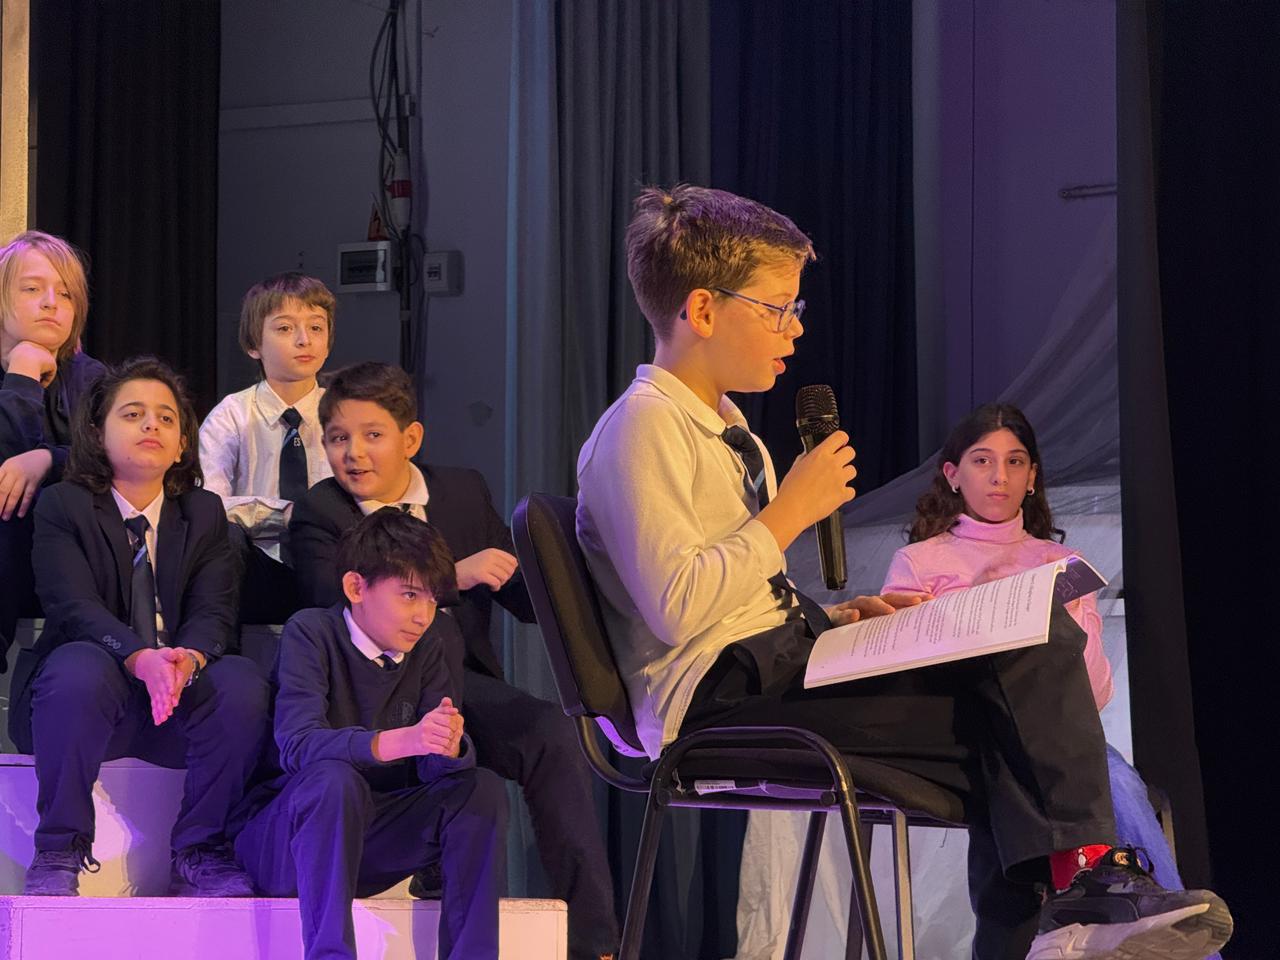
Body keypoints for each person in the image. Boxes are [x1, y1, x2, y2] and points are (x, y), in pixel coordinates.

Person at [574, 183, 1232, 960]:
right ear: (703, 310)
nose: (794, 328)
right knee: (1007, 721)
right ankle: (1075, 904)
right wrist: (789, 511)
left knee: (1028, 647)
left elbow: (737, 594)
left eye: (794, 308)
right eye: (777, 308)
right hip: (721, 703)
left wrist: (834, 619)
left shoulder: (727, 431)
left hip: (777, 666)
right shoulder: (641, 430)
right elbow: (679, 607)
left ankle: (1074, 907)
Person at [289, 361, 619, 960]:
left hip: (457, 681)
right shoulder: (321, 509)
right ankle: (435, 851)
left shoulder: (462, 491)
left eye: (371, 435)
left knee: (550, 732)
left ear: (410, 438)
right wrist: (448, 579)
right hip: (372, 691)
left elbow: (521, 594)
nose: (353, 453)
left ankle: (592, 940)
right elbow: (325, 599)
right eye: (337, 438)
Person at [880, 401, 1221, 959]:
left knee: (1111, 778)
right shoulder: (918, 562)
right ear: (953, 474)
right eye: (983, 460)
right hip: (964, 738)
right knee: (1047, 777)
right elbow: (905, 678)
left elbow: (1094, 696)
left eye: (1015, 462)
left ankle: (1132, 918)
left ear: (1032, 476)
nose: (1000, 476)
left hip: (1054, 741)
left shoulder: (1062, 562)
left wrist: (1067, 621)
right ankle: (1107, 906)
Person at [9, 356, 268, 897]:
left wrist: (187, 658)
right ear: (97, 433)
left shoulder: (204, 512)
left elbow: (214, 611)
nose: (152, 425)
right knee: (78, 664)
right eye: (132, 414)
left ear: (181, 444)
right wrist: (139, 656)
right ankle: (59, 850)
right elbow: (72, 606)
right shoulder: (64, 505)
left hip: (173, 702)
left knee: (242, 680)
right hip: (86, 702)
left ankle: (201, 851)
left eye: (166, 418)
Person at [234, 508, 507, 960]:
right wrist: (402, 740)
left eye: (432, 601)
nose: (423, 616)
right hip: (289, 841)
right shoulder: (312, 632)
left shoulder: (429, 646)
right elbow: (298, 745)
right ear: (356, 588)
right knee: (334, 781)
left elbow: (433, 770)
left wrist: (448, 744)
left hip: (369, 838)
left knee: (481, 789)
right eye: (409, 595)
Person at [199, 272, 336, 624]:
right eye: (285, 328)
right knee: (224, 540)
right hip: (256, 561)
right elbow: (209, 506)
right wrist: (284, 513)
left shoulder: (342, 412)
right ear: (253, 344)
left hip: (331, 558)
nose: (304, 340)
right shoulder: (232, 415)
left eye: (316, 327)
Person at [0, 230, 105, 668]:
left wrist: (47, 459)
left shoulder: (91, 378)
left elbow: (109, 461)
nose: (51, 303)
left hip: (71, 560)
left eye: (65, 294)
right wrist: (23, 375)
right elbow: (5, 467)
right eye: (32, 289)